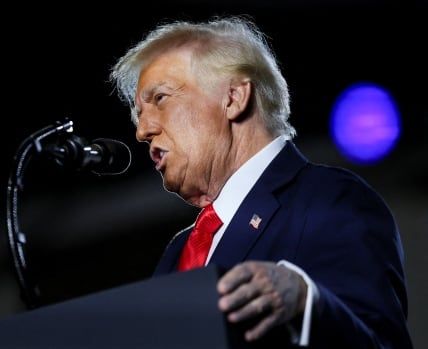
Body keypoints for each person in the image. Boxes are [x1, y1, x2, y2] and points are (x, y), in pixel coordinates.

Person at [110, 17, 412, 348]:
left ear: (234, 98)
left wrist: (304, 301)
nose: (142, 131)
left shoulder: (330, 198)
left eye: (161, 98)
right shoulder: (178, 251)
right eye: (139, 114)